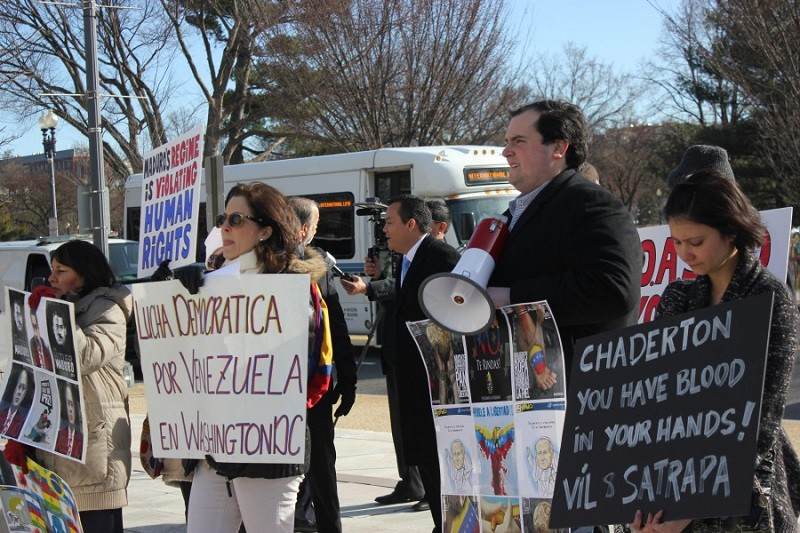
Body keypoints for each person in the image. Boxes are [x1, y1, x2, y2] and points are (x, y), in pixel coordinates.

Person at [628, 170, 800, 532]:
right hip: (670, 490)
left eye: (696, 241)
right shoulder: (677, 298)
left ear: (731, 231)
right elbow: (657, 403)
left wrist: (689, 508)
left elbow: (761, 423)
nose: (685, 253)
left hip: (743, 503)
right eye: (676, 243)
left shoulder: (771, 298)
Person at [182, 183, 332, 533]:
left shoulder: (292, 287)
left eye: (236, 219)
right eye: (223, 219)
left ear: (265, 230)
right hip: (214, 448)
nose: (225, 228)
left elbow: (313, 370)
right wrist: (176, 295)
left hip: (267, 448)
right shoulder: (208, 282)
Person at [488, 100, 641, 372]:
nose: (506, 151)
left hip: (581, 391)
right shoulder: (513, 214)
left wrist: (512, 297)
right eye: (507, 141)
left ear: (558, 148)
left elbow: (614, 289)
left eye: (519, 141)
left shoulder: (593, 204)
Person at [343, 195, 459, 532]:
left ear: (411, 224)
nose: (383, 228)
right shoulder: (408, 257)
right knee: (423, 455)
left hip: (434, 378)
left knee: (438, 461)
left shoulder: (441, 257)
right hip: (410, 374)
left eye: (389, 222)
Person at [15, 239, 132, 533]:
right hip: (54, 447)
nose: (51, 278)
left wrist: (55, 312)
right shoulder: (65, 305)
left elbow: (85, 355)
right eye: (51, 270)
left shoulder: (110, 308)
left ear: (85, 273)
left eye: (61, 270)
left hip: (94, 452)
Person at [289, 196, 357, 533]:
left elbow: (336, 325)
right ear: (303, 230)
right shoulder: (261, 268)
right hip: (278, 385)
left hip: (317, 386)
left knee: (321, 465)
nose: (316, 232)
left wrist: (348, 378)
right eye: (315, 226)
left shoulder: (319, 268)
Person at [0, 364, 33, 438]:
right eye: (19, 386)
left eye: (23, 388)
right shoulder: (1, 409)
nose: (19, 392)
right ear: (13, 386)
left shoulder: (25, 420)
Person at [54, 382, 83, 459]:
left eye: (72, 404)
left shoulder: (81, 439)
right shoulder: (59, 435)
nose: (70, 410)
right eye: (67, 404)